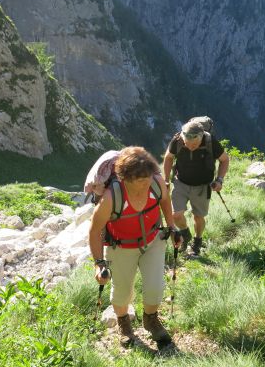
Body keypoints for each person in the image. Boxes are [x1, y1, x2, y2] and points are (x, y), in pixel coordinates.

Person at [89, 146, 181, 347]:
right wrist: (98, 264)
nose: (147, 182)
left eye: (148, 177)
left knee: (155, 287)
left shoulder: (156, 182)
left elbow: (165, 200)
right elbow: (95, 231)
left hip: (153, 240)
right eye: (141, 180)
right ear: (125, 178)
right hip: (120, 247)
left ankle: (151, 320)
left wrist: (172, 227)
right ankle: (124, 323)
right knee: (121, 293)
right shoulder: (111, 198)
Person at [162, 120, 230, 255]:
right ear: (183, 138)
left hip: (202, 186)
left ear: (201, 137)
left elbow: (224, 160)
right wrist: (166, 180)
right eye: (188, 144)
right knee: (176, 215)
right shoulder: (178, 140)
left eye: (195, 144)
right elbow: (168, 157)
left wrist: (220, 180)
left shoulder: (210, 142)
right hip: (181, 182)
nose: (191, 147)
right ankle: (185, 233)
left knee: (198, 217)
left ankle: (197, 240)